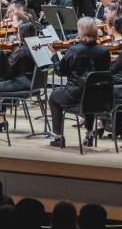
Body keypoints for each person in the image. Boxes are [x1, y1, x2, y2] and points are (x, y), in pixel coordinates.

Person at [48, 17, 113, 148]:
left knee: (53, 97)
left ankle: (58, 136)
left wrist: (55, 56)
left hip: (75, 95)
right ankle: (89, 133)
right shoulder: (104, 51)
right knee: (90, 95)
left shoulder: (74, 50)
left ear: (82, 32)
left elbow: (60, 71)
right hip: (99, 97)